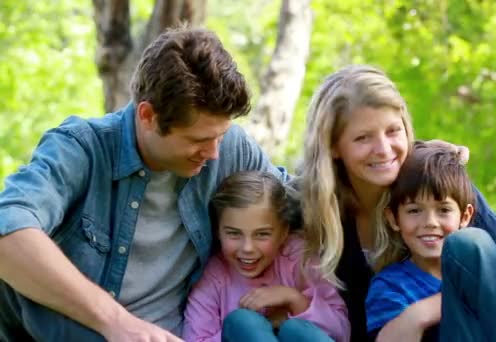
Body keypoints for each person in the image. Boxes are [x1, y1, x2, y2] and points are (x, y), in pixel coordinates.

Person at [0, 27, 287, 341]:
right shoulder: (81, 149)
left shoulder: (228, 147)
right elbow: (7, 231)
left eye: (220, 136)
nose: (215, 152)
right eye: (199, 140)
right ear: (148, 115)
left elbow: (298, 204)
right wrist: (116, 322)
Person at [298, 64, 496, 341]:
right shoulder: (311, 207)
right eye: (363, 137)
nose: (384, 150)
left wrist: (422, 312)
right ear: (333, 146)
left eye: (393, 131)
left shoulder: (432, 177)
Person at [365, 142, 496, 341]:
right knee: (466, 244)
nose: (430, 223)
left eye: (443, 210)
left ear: (465, 216)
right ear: (394, 219)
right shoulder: (393, 286)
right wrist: (418, 315)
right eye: (414, 211)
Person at [182, 171, 349, 342]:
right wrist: (260, 329)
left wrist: (294, 299)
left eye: (262, 234)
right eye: (234, 233)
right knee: (242, 322)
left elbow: (342, 330)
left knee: (296, 330)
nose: (247, 248)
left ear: (283, 232)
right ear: (218, 232)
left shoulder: (300, 258)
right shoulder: (214, 276)